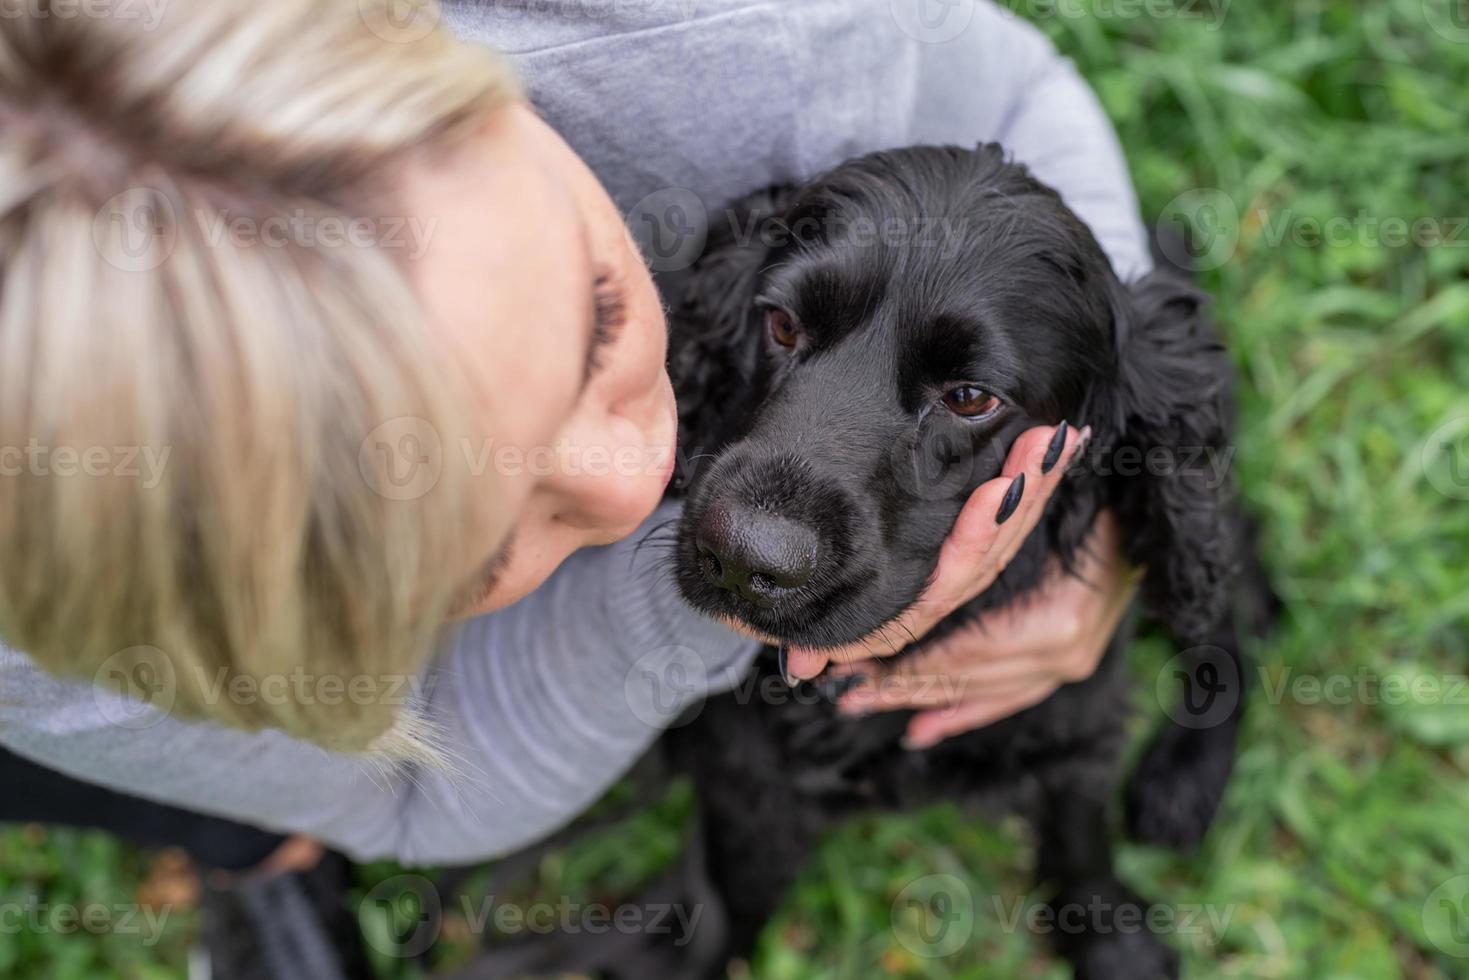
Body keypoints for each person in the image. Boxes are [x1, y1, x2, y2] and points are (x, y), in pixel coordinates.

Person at [0, 0, 1143, 872]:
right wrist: (684, 614)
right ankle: (259, 846)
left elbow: (1019, 90)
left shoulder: (730, 43)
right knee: (263, 809)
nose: (650, 478)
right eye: (482, 550)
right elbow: (415, 792)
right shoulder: (46, 659)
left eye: (596, 313)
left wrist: (1102, 465)